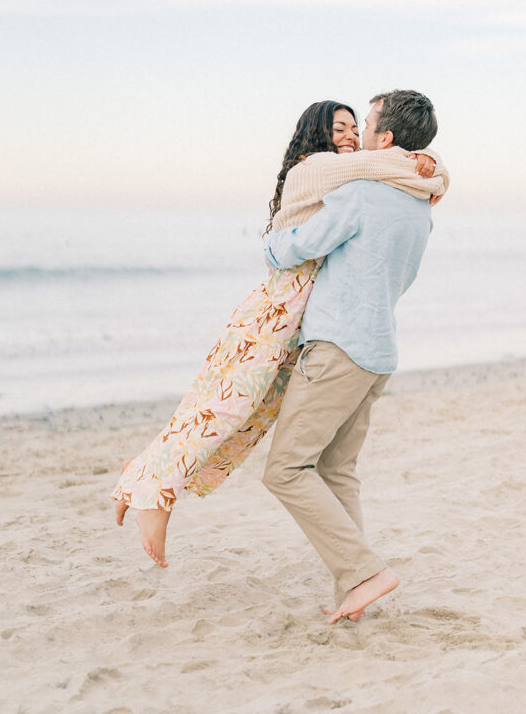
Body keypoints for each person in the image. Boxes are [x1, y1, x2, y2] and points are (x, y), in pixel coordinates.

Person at [111, 99, 448, 568]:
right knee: (227, 408)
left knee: (244, 418)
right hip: (303, 318)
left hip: (316, 325)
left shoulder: (361, 181)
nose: (353, 136)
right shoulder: (336, 174)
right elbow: (391, 171)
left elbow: (317, 228)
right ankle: (154, 489)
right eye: (342, 128)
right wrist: (429, 167)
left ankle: (147, 479)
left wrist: (421, 164)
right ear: (318, 135)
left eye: (360, 126)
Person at [262, 90, 440, 625]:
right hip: (379, 350)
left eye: (364, 126)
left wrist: (273, 242)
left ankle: (364, 572)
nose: (357, 136)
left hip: (338, 346)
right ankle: (354, 589)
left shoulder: (361, 191)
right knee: (338, 471)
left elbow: (294, 248)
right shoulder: (418, 204)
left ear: (384, 140)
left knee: (286, 470)